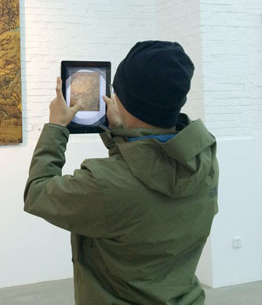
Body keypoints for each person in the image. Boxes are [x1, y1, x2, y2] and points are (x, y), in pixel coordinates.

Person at [24, 41, 219, 305]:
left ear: (124, 101)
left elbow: (37, 193)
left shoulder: (103, 184)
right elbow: (144, 174)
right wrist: (123, 134)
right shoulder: (204, 161)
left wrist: (55, 127)